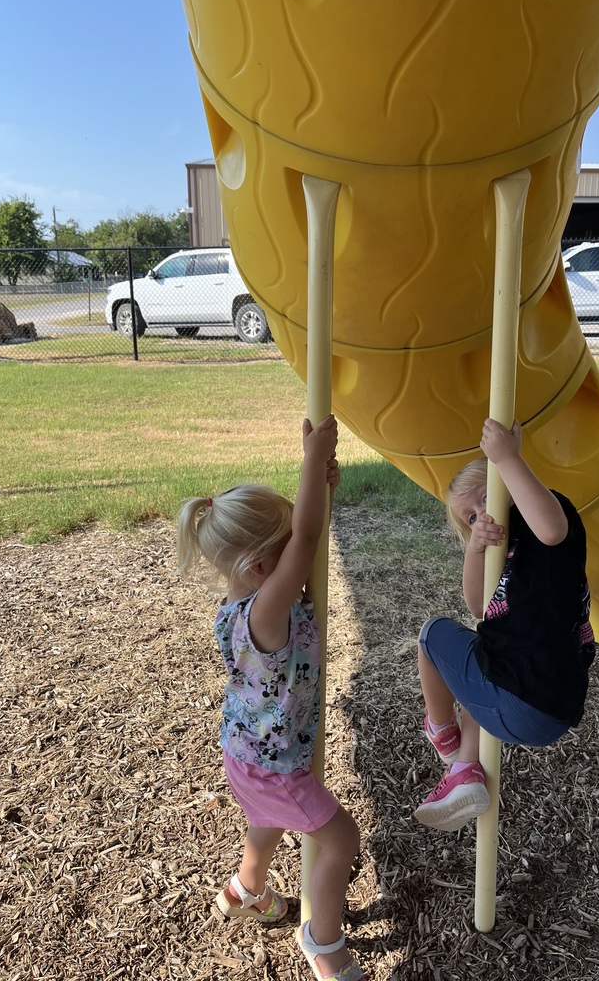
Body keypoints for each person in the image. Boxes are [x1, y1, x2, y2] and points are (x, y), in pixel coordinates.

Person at [176, 414, 364, 981]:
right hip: (278, 766)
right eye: (287, 560)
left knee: (266, 820)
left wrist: (318, 487)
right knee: (341, 841)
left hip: (244, 753)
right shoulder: (266, 613)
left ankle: (246, 889)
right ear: (262, 566)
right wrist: (311, 459)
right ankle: (323, 941)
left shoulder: (241, 607)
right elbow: (305, 538)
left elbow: (301, 535)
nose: (302, 566)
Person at [414, 417, 596, 832]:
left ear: (507, 485)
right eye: (470, 517)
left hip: (526, 697)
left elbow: (550, 530)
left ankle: (442, 732)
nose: (482, 516)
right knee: (484, 655)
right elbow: (479, 606)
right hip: (544, 707)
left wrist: (509, 457)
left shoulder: (548, 519)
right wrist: (476, 551)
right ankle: (463, 771)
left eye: (486, 497)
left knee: (431, 635)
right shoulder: (507, 553)